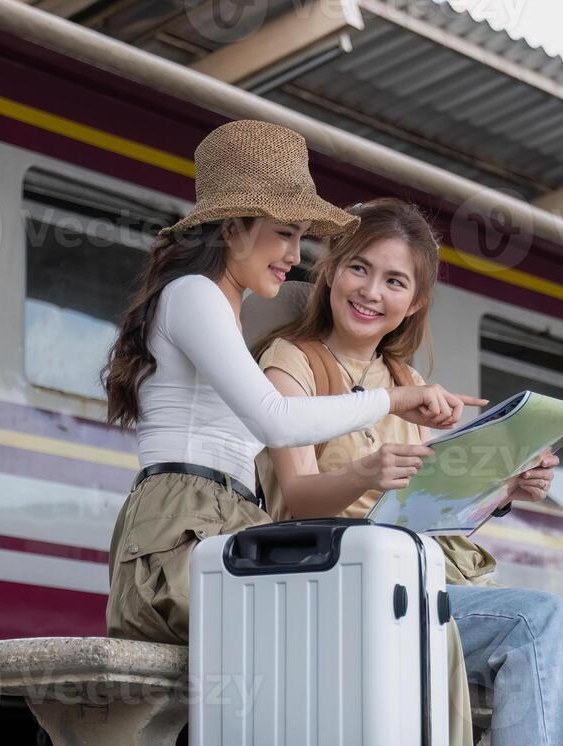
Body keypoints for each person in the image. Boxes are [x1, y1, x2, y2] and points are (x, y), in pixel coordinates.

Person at [251, 197, 563, 746]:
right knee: (539, 620)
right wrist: (361, 473)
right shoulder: (294, 361)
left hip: (416, 581)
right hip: (340, 586)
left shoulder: (410, 385)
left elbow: (442, 508)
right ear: (330, 272)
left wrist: (508, 487)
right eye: (360, 268)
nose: (372, 290)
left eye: (396, 281)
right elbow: (293, 496)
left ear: (413, 301)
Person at [101, 119, 480, 645]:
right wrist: (392, 399)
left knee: (359, 631)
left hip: (219, 525)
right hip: (182, 532)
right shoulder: (195, 294)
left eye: (302, 238)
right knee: (350, 634)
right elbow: (276, 420)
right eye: (284, 233)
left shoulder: (221, 307)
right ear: (232, 229)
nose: (296, 256)